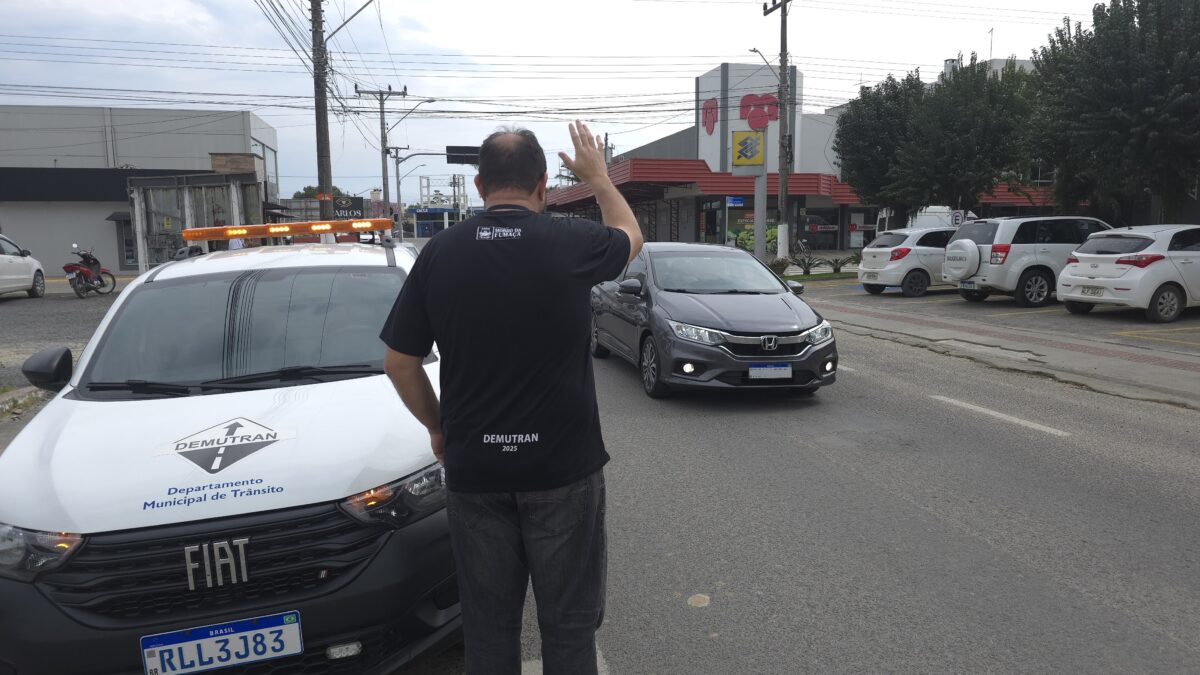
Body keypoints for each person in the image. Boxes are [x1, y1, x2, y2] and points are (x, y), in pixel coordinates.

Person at [379, 121, 642, 674]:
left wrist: (438, 426)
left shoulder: (439, 254)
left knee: (489, 630)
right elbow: (630, 237)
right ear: (543, 184)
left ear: (478, 187)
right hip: (563, 471)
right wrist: (598, 178)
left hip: (476, 472)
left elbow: (400, 362)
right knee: (569, 627)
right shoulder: (572, 242)